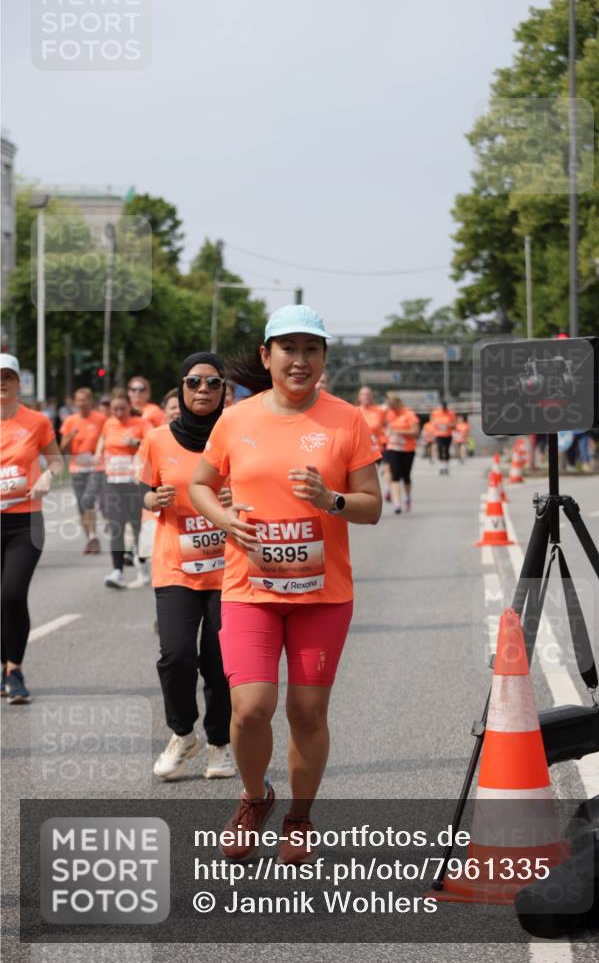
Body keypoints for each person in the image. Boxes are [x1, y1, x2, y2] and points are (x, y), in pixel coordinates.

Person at [190, 304, 382, 863]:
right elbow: (203, 484)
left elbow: (370, 508)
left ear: (323, 357)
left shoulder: (346, 420)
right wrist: (223, 520)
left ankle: (299, 817)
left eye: (312, 350)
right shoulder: (236, 419)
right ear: (266, 356)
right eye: (289, 349)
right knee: (250, 708)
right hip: (250, 587)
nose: (300, 361)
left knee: (306, 712)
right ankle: (255, 798)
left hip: (322, 596)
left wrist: (332, 500)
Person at [139, 352, 235, 781]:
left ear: (223, 392)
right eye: (194, 382)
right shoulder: (158, 439)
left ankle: (219, 743)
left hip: (229, 568)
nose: (203, 390)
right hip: (175, 567)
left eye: (213, 383)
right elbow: (144, 493)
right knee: (176, 655)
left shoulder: (237, 435)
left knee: (218, 662)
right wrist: (152, 500)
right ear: (182, 387)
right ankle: (183, 734)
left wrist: (238, 501)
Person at [0, 354, 63, 703]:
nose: (2, 382)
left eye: (8, 376)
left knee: (11, 594)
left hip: (25, 522)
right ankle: (4, 668)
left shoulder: (35, 421)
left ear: (17, 382)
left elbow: (55, 461)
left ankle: (16, 669)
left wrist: (47, 479)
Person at [96, 388, 151, 588]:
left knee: (137, 527)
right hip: (113, 483)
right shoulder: (108, 423)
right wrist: (98, 452)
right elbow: (103, 438)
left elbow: (153, 445)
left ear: (130, 406)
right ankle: (117, 571)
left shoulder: (141, 423)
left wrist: (136, 442)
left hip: (135, 484)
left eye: (122, 409)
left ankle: (143, 567)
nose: (118, 414)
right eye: (115, 409)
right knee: (116, 527)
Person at [59, 387, 107, 554]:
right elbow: (61, 448)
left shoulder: (100, 419)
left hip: (96, 468)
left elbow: (108, 439)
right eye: (78, 401)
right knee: (81, 507)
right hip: (76, 468)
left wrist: (100, 453)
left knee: (88, 500)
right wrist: (69, 437)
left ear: (90, 401)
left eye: (84, 400)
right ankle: (90, 539)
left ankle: (93, 536)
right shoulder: (70, 421)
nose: (81, 404)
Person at [385, 393, 420, 514]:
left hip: (407, 449)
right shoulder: (389, 414)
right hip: (393, 448)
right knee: (395, 476)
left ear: (397, 404)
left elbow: (415, 432)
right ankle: (397, 503)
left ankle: (408, 498)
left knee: (406, 476)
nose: (392, 410)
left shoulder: (409, 414)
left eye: (393, 407)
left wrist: (399, 431)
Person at [430, 400, 456, 475]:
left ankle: (446, 467)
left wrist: (448, 425)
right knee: (440, 449)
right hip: (439, 434)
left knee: (446, 450)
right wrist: (437, 425)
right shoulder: (436, 413)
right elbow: (432, 422)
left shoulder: (451, 413)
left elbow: (454, 424)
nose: (444, 409)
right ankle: (441, 467)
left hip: (448, 434)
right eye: (443, 407)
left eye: (445, 407)